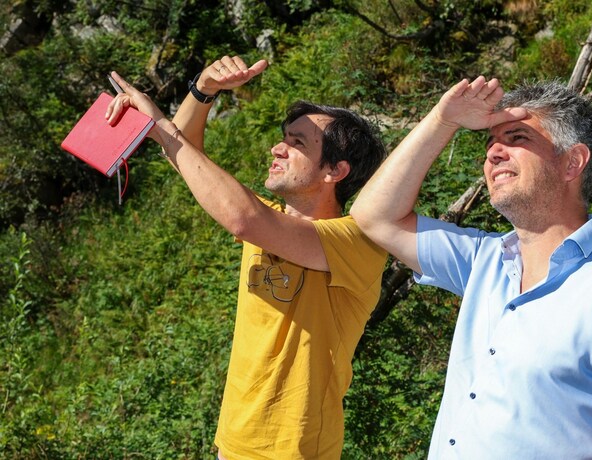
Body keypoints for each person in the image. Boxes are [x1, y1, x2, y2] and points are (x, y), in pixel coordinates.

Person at [350, 76, 592, 459]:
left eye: (517, 138)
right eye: (490, 143)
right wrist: (444, 120)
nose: (493, 153)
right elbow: (374, 216)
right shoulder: (483, 261)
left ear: (572, 162)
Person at [106, 56, 387, 459]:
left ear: (336, 171)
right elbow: (186, 159)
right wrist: (203, 89)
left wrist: (161, 126)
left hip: (295, 451)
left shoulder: (356, 241)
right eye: (284, 137)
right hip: (234, 443)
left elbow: (241, 217)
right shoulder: (267, 221)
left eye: (297, 143)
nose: (278, 147)